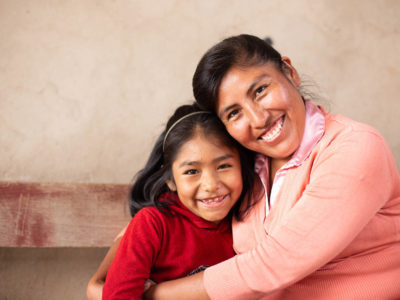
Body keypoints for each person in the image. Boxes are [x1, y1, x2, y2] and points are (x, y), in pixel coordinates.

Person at [141, 34, 400, 299]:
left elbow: (273, 265)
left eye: (260, 91)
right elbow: (178, 216)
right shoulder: (244, 167)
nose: (259, 118)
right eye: (234, 113)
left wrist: (152, 295)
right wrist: (116, 267)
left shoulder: (354, 147)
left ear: (290, 72)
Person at [97, 103, 260, 299]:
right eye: (192, 171)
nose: (210, 185)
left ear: (242, 166)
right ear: (170, 180)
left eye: (224, 166)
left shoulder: (251, 222)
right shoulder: (152, 224)